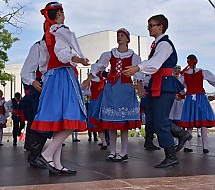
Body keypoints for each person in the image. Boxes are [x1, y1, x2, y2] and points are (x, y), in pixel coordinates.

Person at [30, 2, 89, 175]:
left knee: (62, 121)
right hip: (63, 77)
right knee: (72, 116)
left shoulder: (50, 32)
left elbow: (46, 62)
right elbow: (63, 56)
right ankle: (47, 154)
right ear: (60, 13)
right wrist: (81, 59)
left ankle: (56, 164)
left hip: (53, 77)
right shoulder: (61, 30)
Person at [123, 14, 184, 168]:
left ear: (161, 26)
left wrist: (138, 67)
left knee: (159, 121)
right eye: (149, 25)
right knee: (153, 116)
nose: (149, 28)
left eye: (151, 25)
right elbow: (152, 67)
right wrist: (139, 82)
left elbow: (155, 64)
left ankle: (171, 155)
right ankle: (181, 134)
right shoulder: (158, 45)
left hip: (164, 85)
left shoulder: (164, 44)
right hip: (158, 84)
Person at [82, 28, 142, 162]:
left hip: (126, 89)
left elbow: (138, 74)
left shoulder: (134, 56)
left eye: (122, 36)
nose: (119, 37)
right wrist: (88, 80)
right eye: (118, 35)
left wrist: (139, 87)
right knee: (110, 121)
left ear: (127, 39)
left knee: (124, 122)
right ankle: (112, 151)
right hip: (112, 88)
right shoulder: (109, 54)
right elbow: (99, 67)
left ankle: (124, 151)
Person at [20, 35, 51, 166]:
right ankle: (34, 156)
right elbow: (26, 71)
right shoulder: (38, 46)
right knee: (38, 122)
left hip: (48, 89)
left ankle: (37, 155)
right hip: (36, 90)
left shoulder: (56, 49)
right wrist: (33, 82)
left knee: (45, 122)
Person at [176, 54, 215, 153]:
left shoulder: (184, 74)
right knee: (203, 123)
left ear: (187, 62)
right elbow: (213, 80)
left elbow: (178, 87)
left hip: (190, 98)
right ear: (196, 61)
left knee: (189, 123)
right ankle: (205, 147)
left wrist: (184, 94)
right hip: (201, 98)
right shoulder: (202, 72)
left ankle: (187, 146)